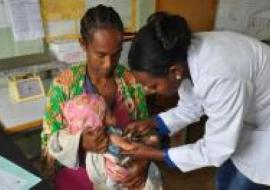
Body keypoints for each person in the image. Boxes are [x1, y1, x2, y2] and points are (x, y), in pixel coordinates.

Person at [112, 12, 270, 189]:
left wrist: (155, 154)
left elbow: (215, 149)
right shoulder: (184, 56)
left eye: (154, 86)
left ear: (174, 71)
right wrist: (152, 123)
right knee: (225, 179)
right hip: (252, 112)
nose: (150, 91)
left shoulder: (219, 75)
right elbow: (192, 106)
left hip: (266, 128)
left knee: (241, 183)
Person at [41, 5, 161, 190]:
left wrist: (142, 163)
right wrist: (79, 143)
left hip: (120, 177)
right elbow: (48, 148)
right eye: (100, 55)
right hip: (76, 181)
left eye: (116, 54)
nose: (108, 64)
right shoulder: (63, 86)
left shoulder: (129, 81)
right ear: (83, 45)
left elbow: (148, 133)